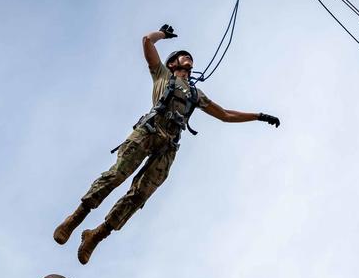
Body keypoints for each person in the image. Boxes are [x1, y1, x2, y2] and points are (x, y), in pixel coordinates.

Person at [54, 24, 281, 265]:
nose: (189, 59)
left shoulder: (196, 94)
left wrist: (258, 115)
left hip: (168, 146)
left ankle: (96, 235)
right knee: (115, 176)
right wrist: (162, 34)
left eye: (190, 58)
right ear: (173, 63)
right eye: (184, 56)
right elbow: (146, 42)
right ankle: (75, 218)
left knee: (139, 196)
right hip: (148, 132)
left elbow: (225, 114)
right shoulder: (163, 75)